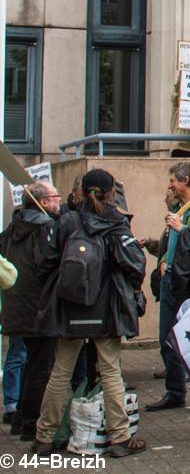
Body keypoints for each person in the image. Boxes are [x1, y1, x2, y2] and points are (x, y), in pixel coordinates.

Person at [32, 169, 147, 458]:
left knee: (60, 372)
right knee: (110, 371)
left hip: (69, 306)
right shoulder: (116, 223)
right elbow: (135, 263)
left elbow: (45, 263)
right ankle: (120, 438)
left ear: (81, 191)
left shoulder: (65, 221)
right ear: (111, 192)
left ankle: (44, 437)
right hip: (106, 309)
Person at [0, 182, 60, 442]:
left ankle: (18, 417)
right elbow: (46, 265)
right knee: (40, 366)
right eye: (54, 196)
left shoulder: (12, 228)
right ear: (43, 202)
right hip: (37, 306)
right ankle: (29, 424)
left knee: (25, 360)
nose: (59, 200)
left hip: (15, 305)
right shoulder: (45, 228)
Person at [147, 161, 190, 413]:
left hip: (188, 282)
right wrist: (160, 259)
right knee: (166, 339)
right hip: (170, 279)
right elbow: (167, 241)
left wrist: (184, 229)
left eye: (173, 181)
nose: (169, 186)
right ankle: (174, 391)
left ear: (185, 181)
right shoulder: (179, 209)